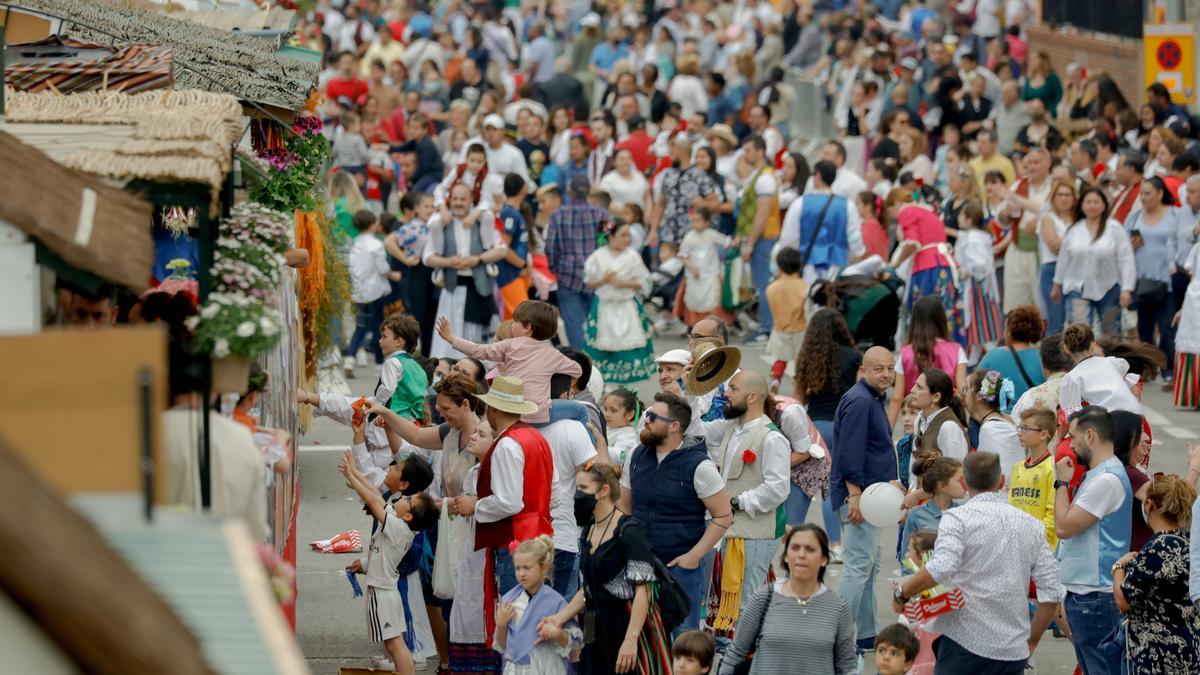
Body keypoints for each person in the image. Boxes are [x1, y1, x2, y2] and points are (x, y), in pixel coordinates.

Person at [892, 453, 1065, 672]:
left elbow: (941, 568)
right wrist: (1032, 638)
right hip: (1012, 647)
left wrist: (902, 592)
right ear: (1001, 481)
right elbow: (1051, 591)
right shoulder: (1030, 525)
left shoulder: (957, 519)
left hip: (964, 641)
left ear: (964, 481)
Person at [617, 392, 734, 634]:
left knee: (683, 638)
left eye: (651, 416)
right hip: (639, 563)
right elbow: (623, 507)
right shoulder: (636, 456)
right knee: (638, 637)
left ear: (674, 426)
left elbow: (723, 515)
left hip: (680, 568)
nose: (645, 420)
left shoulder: (700, 466)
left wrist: (693, 556)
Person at [543, 462, 673, 675]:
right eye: (577, 488)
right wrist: (559, 617)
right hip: (595, 629)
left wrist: (631, 640)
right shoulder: (588, 528)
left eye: (583, 488)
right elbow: (589, 588)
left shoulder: (629, 531)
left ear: (603, 491)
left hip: (625, 625)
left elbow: (644, 590)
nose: (578, 494)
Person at [689, 371, 790, 632]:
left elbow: (778, 489)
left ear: (753, 397)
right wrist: (690, 391)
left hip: (755, 532)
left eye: (733, 388)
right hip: (727, 529)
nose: (726, 394)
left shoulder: (771, 437)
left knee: (748, 600)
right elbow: (694, 430)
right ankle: (730, 651)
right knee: (723, 597)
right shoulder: (730, 427)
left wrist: (736, 501)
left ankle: (748, 657)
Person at [340, 449, 439, 675]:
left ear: (409, 516)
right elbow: (375, 495)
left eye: (408, 500)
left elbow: (372, 501)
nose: (403, 498)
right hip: (384, 590)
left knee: (396, 645)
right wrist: (353, 473)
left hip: (383, 592)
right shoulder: (399, 521)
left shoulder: (397, 527)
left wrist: (351, 475)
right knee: (392, 645)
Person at [1054, 406, 1134, 675]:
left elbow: (1064, 527)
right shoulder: (1101, 474)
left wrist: (1061, 484)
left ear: (1090, 436)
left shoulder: (1106, 480)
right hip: (1090, 591)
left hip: (1095, 594)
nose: (1070, 445)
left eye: (1073, 437)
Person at [717, 524, 857, 675]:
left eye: (810, 549)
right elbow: (735, 654)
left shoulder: (838, 607)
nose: (801, 555)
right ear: (785, 556)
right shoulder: (763, 600)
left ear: (824, 559)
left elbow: (847, 666)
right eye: (795, 548)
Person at [831, 346, 898, 652]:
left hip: (872, 497)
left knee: (868, 568)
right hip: (860, 498)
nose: (885, 374)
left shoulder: (871, 398)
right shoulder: (859, 401)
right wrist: (854, 495)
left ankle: (866, 634)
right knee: (858, 568)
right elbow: (849, 451)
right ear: (864, 371)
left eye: (889, 368)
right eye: (878, 369)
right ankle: (840, 636)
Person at [436, 300, 581, 424]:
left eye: (515, 322)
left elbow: (479, 350)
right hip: (540, 416)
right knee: (581, 410)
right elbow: (577, 370)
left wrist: (451, 338)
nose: (512, 325)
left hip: (511, 410)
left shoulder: (511, 345)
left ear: (528, 327)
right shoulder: (553, 354)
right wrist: (564, 387)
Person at [1113, 474, 1200, 674]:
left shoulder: (1155, 551)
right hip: (1190, 646)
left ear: (1149, 504)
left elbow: (1123, 601)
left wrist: (1118, 568)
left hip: (1157, 654)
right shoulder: (1188, 541)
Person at [425, 184, 507, 358]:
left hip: (478, 290)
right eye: (455, 199)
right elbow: (427, 256)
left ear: (471, 200)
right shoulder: (441, 223)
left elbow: (501, 249)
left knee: (480, 341)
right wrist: (448, 261)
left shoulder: (482, 222)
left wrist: (477, 259)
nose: (458, 203)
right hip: (452, 290)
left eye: (462, 199)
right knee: (446, 339)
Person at [1052, 186, 1136, 338]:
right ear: (1082, 205)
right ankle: (1082, 360)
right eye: (1088, 202)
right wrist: (1057, 284)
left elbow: (1126, 259)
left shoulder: (1115, 228)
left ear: (1104, 205)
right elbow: (1064, 259)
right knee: (1079, 331)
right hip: (1077, 286)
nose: (1092, 205)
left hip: (1109, 287)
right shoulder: (1074, 230)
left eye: (1096, 202)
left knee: (1111, 331)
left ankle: (1110, 360)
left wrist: (1126, 288)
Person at [492, 535, 582, 674]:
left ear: (544, 568)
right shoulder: (509, 600)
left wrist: (557, 633)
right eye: (517, 568)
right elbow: (502, 647)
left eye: (527, 568)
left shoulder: (556, 602)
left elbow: (574, 647)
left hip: (547, 668)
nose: (521, 574)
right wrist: (501, 625)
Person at [583, 220, 655, 384]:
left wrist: (623, 283)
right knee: (603, 345)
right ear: (610, 236)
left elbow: (645, 282)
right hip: (605, 306)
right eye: (623, 235)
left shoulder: (632, 256)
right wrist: (604, 280)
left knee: (628, 345)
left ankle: (627, 384)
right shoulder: (598, 256)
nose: (627, 239)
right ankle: (604, 383)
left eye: (628, 235)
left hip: (627, 306)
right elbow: (588, 281)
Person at [1126, 176, 1182, 385]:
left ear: (1160, 194)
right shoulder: (1135, 216)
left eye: (1148, 193)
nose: (1143, 198)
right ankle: (1148, 368)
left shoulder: (1174, 214)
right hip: (1142, 279)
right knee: (1145, 328)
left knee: (1167, 326)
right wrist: (1132, 244)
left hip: (1166, 279)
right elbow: (1124, 246)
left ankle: (1169, 370)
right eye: (1141, 193)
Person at [546, 175, 609, 349]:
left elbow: (551, 247)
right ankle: (597, 358)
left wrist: (555, 269)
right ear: (589, 192)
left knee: (573, 323)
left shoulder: (557, 215)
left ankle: (582, 362)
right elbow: (607, 245)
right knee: (596, 320)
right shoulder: (601, 214)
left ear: (569, 191)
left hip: (567, 275)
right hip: (597, 277)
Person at [780, 160, 865, 283]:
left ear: (818, 176)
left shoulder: (800, 203)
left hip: (807, 265)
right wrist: (857, 255)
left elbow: (788, 237)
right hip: (838, 265)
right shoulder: (847, 205)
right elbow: (854, 237)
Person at [888, 297, 968, 425]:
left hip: (916, 421)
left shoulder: (906, 353)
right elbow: (963, 390)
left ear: (915, 321)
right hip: (947, 419)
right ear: (941, 319)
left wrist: (887, 435)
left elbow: (897, 398)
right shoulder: (956, 350)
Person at [737, 135, 783, 344]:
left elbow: (762, 215)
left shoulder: (765, 178)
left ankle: (767, 328)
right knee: (761, 284)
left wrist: (751, 243)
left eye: (748, 150)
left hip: (764, 238)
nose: (744, 155)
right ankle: (766, 324)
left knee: (764, 284)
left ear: (760, 151)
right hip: (760, 237)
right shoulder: (759, 175)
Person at [345, 210, 400, 374]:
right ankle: (378, 363)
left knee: (360, 325)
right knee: (378, 327)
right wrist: (394, 275)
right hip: (375, 291)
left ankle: (350, 357)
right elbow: (383, 269)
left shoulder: (354, 244)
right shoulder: (377, 245)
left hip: (358, 291)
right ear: (373, 224)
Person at [1003, 147, 1054, 314]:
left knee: (1041, 304)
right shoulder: (1019, 184)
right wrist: (1007, 213)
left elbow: (1054, 213)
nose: (1032, 167)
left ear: (1048, 163)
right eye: (1029, 163)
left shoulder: (1054, 186)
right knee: (1016, 304)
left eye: (1036, 162)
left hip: (1042, 251)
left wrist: (1040, 221)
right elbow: (1002, 219)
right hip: (1018, 248)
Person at [1059, 323, 1143, 415]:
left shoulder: (1072, 378)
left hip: (1108, 419)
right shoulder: (1114, 363)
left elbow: (1073, 415)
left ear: (1066, 348)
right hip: (1134, 412)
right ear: (1093, 346)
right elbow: (1134, 392)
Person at [955, 201, 1004, 361]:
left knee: (982, 324)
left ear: (969, 219)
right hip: (981, 288)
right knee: (978, 327)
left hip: (978, 289)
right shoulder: (977, 237)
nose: (959, 218)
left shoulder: (973, 239)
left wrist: (967, 271)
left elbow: (979, 264)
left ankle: (992, 360)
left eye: (962, 215)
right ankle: (973, 360)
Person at [1010, 406, 1060, 548]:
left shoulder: (1052, 468)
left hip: (1040, 548)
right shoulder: (1017, 467)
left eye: (1026, 429)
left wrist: (1033, 541)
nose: (1020, 433)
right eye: (1020, 428)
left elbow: (1052, 515)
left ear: (1044, 434)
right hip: (1016, 545)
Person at [900, 455, 965, 561]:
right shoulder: (916, 515)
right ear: (942, 486)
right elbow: (907, 558)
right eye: (959, 481)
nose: (965, 484)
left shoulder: (965, 513)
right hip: (924, 576)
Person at [909, 368, 970, 478]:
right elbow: (914, 468)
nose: (912, 390)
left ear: (936, 397)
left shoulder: (949, 427)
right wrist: (912, 490)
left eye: (919, 387)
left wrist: (917, 495)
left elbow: (954, 475)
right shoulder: (919, 420)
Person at [978, 306, 1046, 403]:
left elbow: (985, 394)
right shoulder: (1042, 358)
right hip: (1033, 414)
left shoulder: (993, 357)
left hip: (1002, 416)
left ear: (1009, 331)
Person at [966, 370, 1021, 481]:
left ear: (978, 396)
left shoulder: (991, 429)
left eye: (967, 389)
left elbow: (998, 475)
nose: (963, 394)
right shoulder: (1004, 420)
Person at [765, 247, 809, 388]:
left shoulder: (772, 288)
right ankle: (799, 382)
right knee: (800, 360)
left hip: (780, 328)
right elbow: (808, 312)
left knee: (781, 358)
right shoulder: (804, 287)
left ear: (779, 266)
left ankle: (776, 380)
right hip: (800, 329)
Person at [495, 175, 531, 321]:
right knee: (527, 320)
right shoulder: (509, 213)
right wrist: (523, 264)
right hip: (509, 276)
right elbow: (503, 249)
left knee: (512, 323)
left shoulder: (513, 212)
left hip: (516, 275)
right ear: (523, 189)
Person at [1175, 234, 1200, 407]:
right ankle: (1195, 395)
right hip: (1195, 302)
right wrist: (1184, 308)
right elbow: (1192, 277)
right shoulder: (1198, 248)